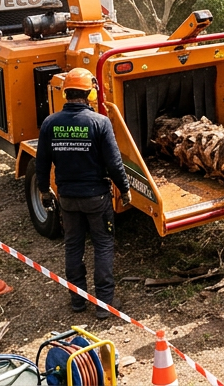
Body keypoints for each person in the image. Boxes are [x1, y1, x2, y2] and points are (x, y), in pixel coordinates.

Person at [36, 67, 129, 319]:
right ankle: (104, 303)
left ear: (65, 92)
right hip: (96, 197)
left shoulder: (50, 123)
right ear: (90, 93)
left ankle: (77, 300)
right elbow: (114, 163)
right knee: (103, 244)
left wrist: (44, 191)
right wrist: (124, 189)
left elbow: (41, 163)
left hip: (67, 198)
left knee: (73, 246)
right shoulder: (100, 122)